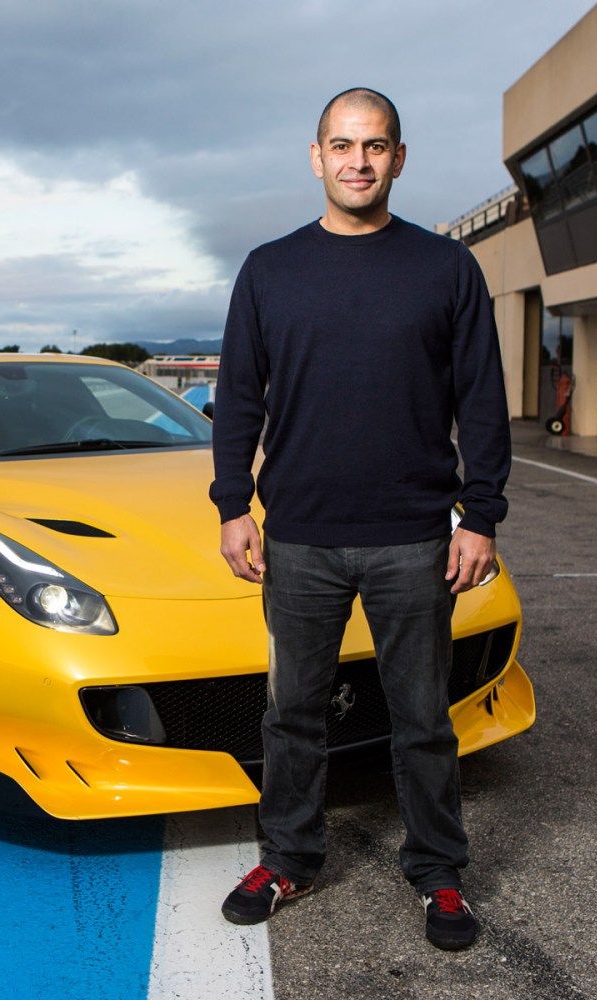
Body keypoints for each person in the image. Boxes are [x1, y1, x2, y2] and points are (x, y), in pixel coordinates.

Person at [209, 87, 511, 951]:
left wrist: (479, 515)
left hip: (414, 535)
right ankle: (291, 856)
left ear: (399, 158)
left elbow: (482, 403)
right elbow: (236, 401)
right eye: (342, 146)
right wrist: (235, 505)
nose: (358, 161)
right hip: (299, 535)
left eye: (374, 146)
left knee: (422, 717)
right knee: (292, 714)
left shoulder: (445, 268)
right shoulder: (269, 270)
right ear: (317, 157)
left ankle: (438, 873)